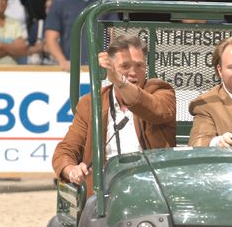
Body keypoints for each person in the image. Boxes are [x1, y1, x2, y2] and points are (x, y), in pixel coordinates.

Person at [52, 35, 176, 196]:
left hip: (152, 189)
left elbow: (156, 111)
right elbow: (66, 149)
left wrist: (120, 81)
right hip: (105, 192)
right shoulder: (90, 103)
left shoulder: (162, 92)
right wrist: (70, 169)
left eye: (139, 66)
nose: (133, 73)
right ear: (110, 69)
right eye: (125, 66)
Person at [45, 0, 118, 70]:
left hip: (101, 69)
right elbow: (50, 38)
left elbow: (115, 35)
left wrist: (110, 60)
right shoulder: (59, 2)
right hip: (71, 70)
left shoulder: (106, 1)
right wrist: (62, 62)